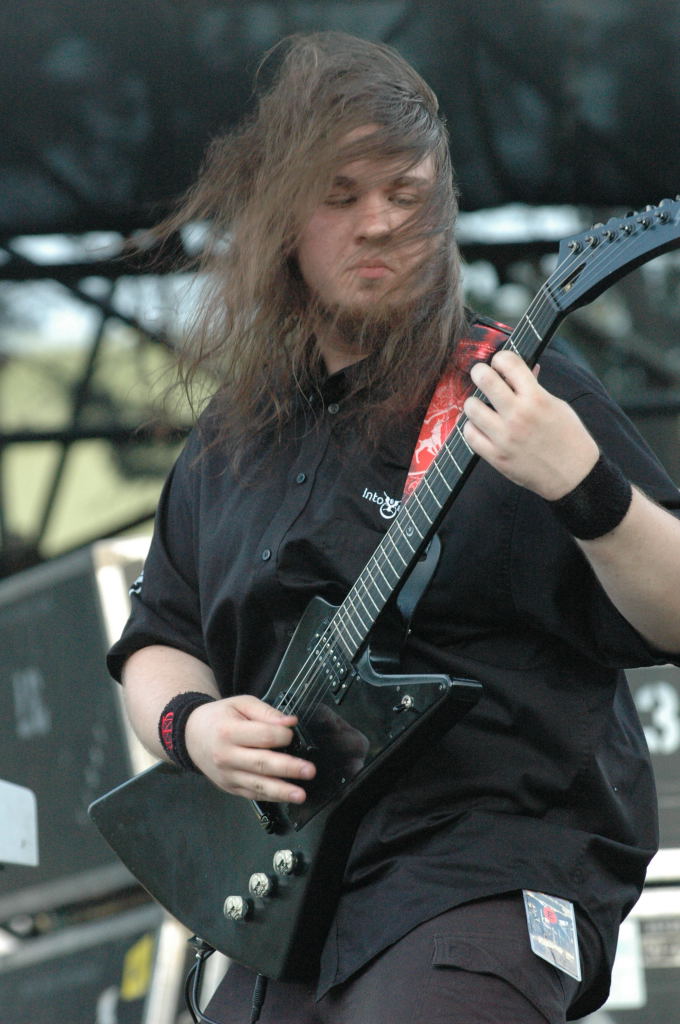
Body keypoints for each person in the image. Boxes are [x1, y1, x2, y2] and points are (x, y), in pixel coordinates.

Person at [107, 31, 680, 1024]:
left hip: (483, 864)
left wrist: (584, 484)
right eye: (339, 196)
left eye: (405, 195)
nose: (377, 223)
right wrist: (192, 728)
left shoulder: (519, 388)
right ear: (283, 222)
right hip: (286, 902)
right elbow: (158, 638)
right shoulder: (232, 439)